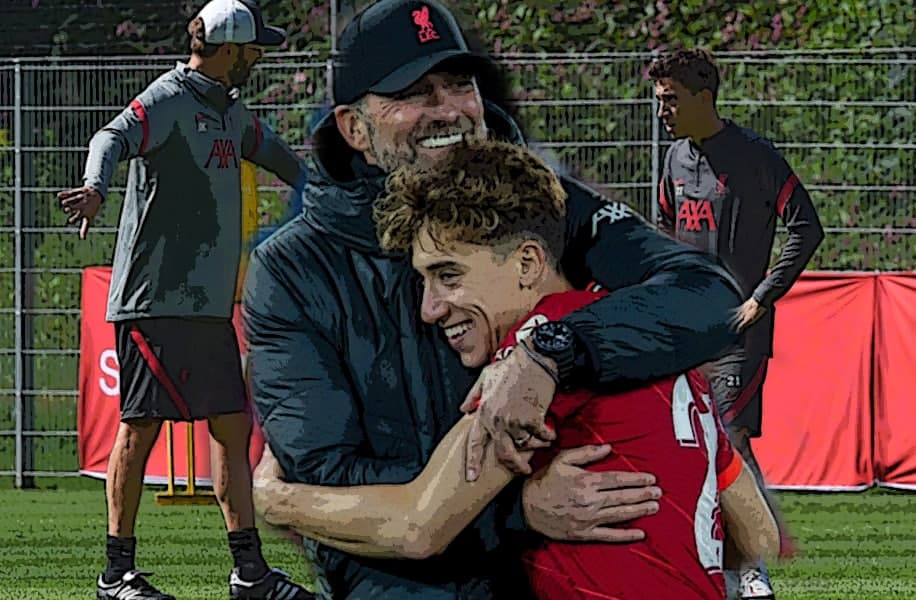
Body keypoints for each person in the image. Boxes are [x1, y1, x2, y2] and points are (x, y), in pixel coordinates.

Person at [243, 1, 744, 597]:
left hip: (552, 576)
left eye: (460, 85)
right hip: (402, 583)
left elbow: (709, 296)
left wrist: (548, 351)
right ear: (355, 128)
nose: (448, 109)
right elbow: (326, 478)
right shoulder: (291, 269)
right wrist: (515, 508)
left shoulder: (547, 208)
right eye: (415, 93)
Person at [58, 1, 312, 598]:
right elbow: (109, 136)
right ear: (230, 50)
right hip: (153, 303)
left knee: (231, 427)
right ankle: (115, 575)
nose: (259, 56)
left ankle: (249, 573)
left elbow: (280, 157)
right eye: (254, 47)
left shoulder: (230, 110)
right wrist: (95, 187)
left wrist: (331, 192)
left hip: (206, 307)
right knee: (139, 428)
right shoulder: (169, 99)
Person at [649, 48, 825, 599]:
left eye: (671, 100)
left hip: (738, 334)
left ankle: (751, 568)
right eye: (658, 101)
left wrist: (761, 299)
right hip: (684, 333)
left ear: (704, 97)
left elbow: (806, 227)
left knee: (729, 441)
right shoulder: (674, 160)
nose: (662, 111)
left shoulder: (755, 156)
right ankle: (699, 561)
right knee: (683, 446)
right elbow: (662, 234)